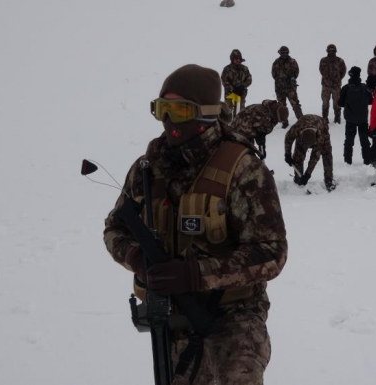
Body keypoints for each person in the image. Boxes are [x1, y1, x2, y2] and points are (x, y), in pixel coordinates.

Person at [103, 64, 287, 385]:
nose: (169, 120)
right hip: (173, 318)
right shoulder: (148, 169)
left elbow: (271, 253)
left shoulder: (243, 169)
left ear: (205, 113)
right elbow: (115, 229)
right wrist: (140, 261)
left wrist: (196, 274)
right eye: (162, 108)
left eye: (179, 109)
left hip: (235, 316)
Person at [284, 114, 335, 191]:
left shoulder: (320, 136)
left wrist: (308, 174)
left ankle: (329, 181)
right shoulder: (297, 129)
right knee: (298, 157)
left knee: (326, 153)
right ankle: (299, 179)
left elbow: (314, 157)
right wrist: (287, 154)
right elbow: (288, 138)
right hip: (303, 129)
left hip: (322, 126)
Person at [338, 66, 373, 165]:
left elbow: (340, 103)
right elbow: (371, 101)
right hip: (363, 119)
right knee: (365, 141)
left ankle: (347, 161)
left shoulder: (346, 88)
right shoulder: (365, 87)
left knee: (349, 141)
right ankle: (367, 160)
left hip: (350, 119)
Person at [272, 46, 303, 128]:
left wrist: (292, 78)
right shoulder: (276, 63)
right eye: (283, 53)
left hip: (290, 88)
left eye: (286, 53)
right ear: (280, 53)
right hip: (279, 88)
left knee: (295, 104)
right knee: (282, 106)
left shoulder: (292, 62)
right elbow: (273, 74)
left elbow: (296, 72)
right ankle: (284, 122)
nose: (284, 54)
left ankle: (301, 120)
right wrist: (280, 80)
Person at [319, 44, 347, 123]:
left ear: (335, 51)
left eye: (333, 51)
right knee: (325, 103)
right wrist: (327, 78)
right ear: (327, 51)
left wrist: (338, 79)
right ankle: (325, 118)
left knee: (337, 102)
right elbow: (321, 70)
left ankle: (337, 118)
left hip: (336, 86)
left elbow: (343, 71)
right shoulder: (323, 60)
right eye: (330, 51)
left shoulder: (340, 61)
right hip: (326, 85)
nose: (331, 52)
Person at [221, 49, 252, 117]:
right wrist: (233, 89)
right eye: (236, 58)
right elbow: (224, 81)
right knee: (226, 113)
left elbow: (249, 79)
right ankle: (226, 127)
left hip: (241, 95)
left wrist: (243, 86)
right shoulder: (227, 69)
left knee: (240, 114)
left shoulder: (245, 69)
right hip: (230, 95)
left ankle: (237, 127)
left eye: (239, 58)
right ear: (232, 59)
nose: (238, 60)